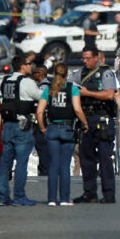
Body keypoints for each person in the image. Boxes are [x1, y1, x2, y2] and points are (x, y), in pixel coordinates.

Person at [71, 49, 120, 203]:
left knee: (104, 158)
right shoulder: (79, 74)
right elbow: (68, 87)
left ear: (95, 58)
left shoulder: (106, 73)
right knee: (86, 158)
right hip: (86, 119)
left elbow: (109, 94)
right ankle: (89, 193)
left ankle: (109, 194)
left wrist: (87, 94)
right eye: (83, 58)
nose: (85, 61)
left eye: (88, 58)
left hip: (102, 120)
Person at [35, 63, 88, 206]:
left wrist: (42, 127)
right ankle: (64, 199)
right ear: (67, 74)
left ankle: (52, 198)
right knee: (65, 165)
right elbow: (77, 109)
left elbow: (39, 111)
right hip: (67, 128)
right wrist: (85, 123)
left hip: (52, 128)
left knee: (53, 165)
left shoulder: (49, 89)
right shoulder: (73, 89)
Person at [0, 55, 43, 206]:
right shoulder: (27, 82)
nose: (32, 66)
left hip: (7, 126)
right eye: (29, 64)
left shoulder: (6, 81)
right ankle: (19, 196)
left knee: (5, 164)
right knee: (21, 163)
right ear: (23, 66)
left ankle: (3, 197)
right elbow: (41, 97)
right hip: (22, 126)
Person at [30, 63, 51, 177]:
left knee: (43, 151)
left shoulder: (44, 87)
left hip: (43, 124)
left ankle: (44, 173)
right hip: (44, 124)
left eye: (35, 73)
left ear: (41, 74)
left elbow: (39, 108)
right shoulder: (44, 86)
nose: (33, 75)